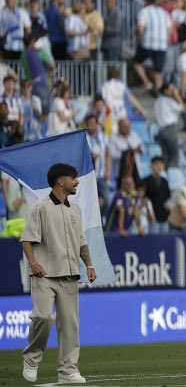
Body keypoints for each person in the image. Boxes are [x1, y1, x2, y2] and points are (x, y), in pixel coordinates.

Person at [21, 163, 95, 384]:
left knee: (70, 325)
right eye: (73, 178)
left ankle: (68, 370)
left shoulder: (76, 210)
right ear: (60, 181)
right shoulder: (40, 207)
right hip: (44, 275)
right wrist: (33, 263)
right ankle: (31, 359)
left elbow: (82, 243)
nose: (77, 182)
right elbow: (26, 239)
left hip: (70, 275)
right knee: (43, 317)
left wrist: (89, 265)